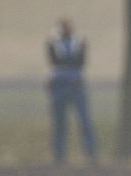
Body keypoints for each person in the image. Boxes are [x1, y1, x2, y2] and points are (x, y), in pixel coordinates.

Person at [47, 19, 97, 163]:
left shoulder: (78, 43)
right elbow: (54, 60)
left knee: (85, 121)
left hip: (75, 84)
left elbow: (80, 62)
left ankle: (91, 154)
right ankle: (59, 156)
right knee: (60, 123)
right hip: (60, 85)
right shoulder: (53, 43)